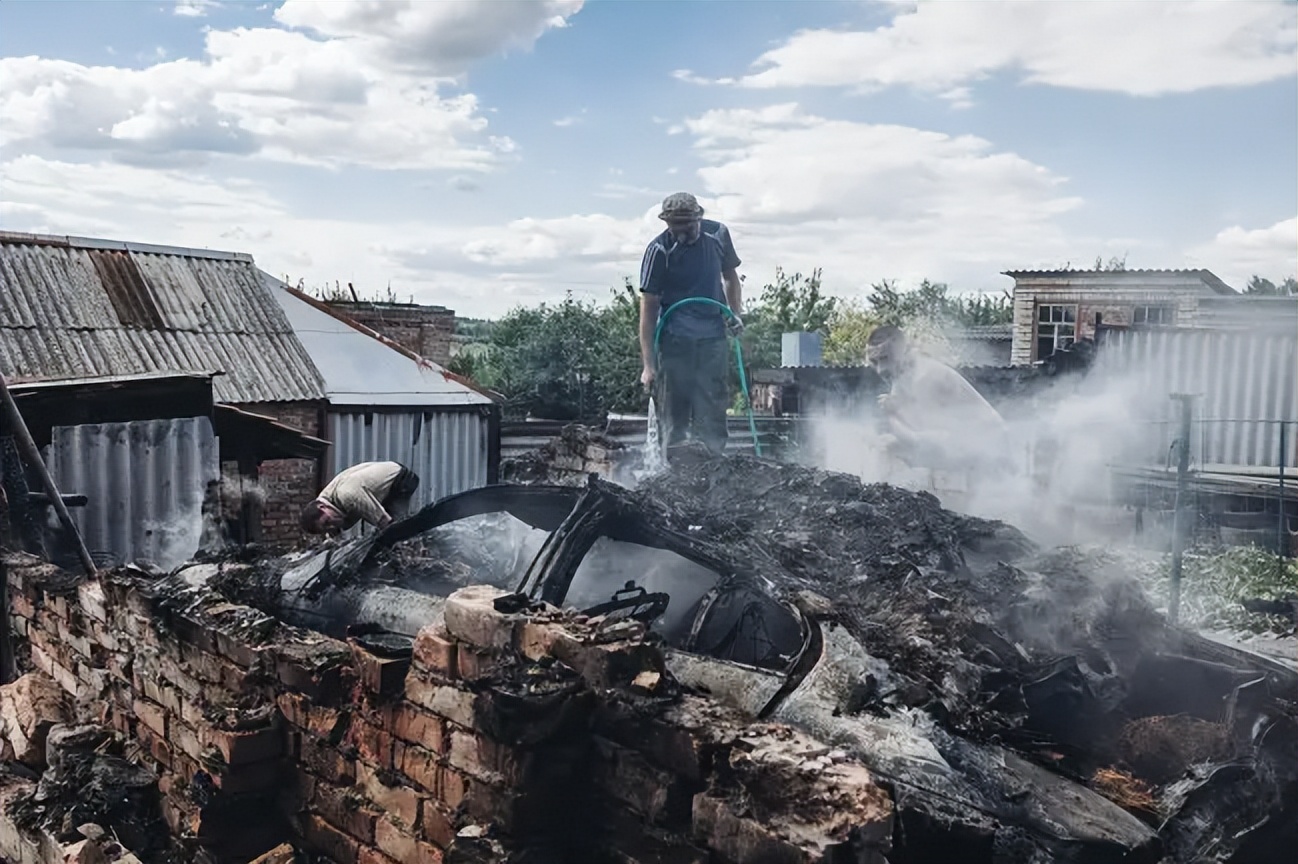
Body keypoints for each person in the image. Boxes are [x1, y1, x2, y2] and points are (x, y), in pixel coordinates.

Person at [638, 192, 743, 456]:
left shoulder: (718, 234)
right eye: (677, 226)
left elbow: (730, 277)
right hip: (674, 340)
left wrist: (734, 313)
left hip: (713, 337)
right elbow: (648, 309)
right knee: (674, 410)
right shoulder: (658, 251)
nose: (684, 231)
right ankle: (672, 467)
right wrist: (648, 365)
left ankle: (713, 463)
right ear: (667, 224)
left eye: (689, 224)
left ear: (699, 217)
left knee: (713, 407)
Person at [866, 326, 1010, 475]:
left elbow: (921, 440)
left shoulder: (925, 376)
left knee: (888, 446)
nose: (880, 370)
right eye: (874, 361)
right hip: (972, 446)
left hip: (989, 452)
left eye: (885, 358)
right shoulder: (903, 375)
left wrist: (893, 419)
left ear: (902, 350)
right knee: (884, 444)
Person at [300, 461, 419, 535]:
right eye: (326, 528)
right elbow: (340, 526)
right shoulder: (324, 499)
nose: (331, 526)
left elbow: (384, 521)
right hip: (381, 483)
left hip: (401, 480)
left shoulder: (348, 496)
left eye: (327, 522)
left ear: (322, 507)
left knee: (396, 530)